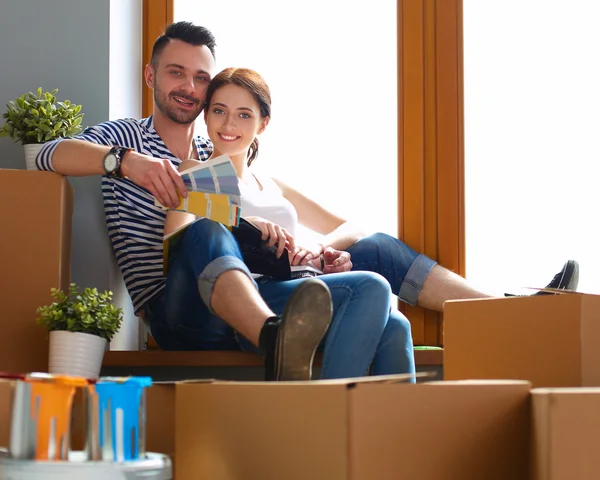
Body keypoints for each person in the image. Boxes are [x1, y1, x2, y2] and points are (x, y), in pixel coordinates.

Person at [35, 21, 416, 382]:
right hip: (178, 304)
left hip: (252, 289)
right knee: (208, 228)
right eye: (176, 72)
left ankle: (373, 435)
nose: (189, 86)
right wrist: (125, 161)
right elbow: (45, 154)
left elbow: (260, 220)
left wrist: (306, 253)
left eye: (201, 78)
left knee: (383, 298)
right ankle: (275, 341)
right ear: (151, 75)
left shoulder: (216, 154)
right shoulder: (131, 138)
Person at [167, 66, 580, 323]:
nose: (228, 124)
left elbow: (355, 224)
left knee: (377, 245)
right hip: (253, 294)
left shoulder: (271, 183)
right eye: (219, 110)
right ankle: (520, 313)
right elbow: (181, 239)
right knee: (375, 267)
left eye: (244, 114)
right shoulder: (198, 172)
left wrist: (318, 250)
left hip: (304, 276)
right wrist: (245, 223)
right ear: (205, 116)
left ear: (263, 124)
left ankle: (514, 309)